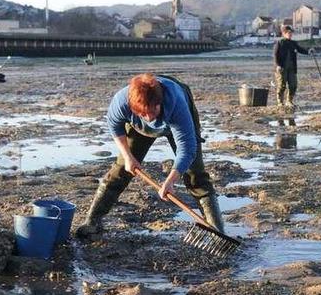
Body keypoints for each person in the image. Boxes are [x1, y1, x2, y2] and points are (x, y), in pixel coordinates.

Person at [75, 73, 224, 238]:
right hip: (139, 128)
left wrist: (170, 180)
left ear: (159, 103)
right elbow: (114, 125)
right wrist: (128, 156)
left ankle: (217, 230)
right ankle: (92, 221)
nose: (149, 117)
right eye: (143, 114)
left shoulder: (177, 104)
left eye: (152, 111)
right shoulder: (122, 101)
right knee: (121, 170)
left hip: (175, 119)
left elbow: (187, 149)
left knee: (195, 175)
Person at [272, 25, 311, 110]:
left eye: (291, 33)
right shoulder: (279, 43)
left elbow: (300, 49)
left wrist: (308, 52)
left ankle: (289, 101)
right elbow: (275, 55)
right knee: (282, 85)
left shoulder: (293, 43)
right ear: (284, 33)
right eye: (288, 33)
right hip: (281, 68)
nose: (290, 34)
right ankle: (280, 102)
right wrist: (278, 65)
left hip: (292, 68)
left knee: (293, 85)